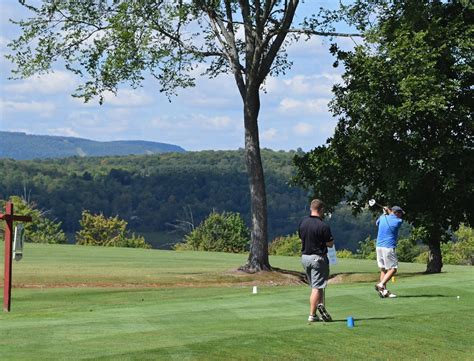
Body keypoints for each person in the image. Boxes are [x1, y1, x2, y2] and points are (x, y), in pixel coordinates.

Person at [299, 199, 334, 322]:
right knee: (317, 287)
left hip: (305, 257)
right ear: (321, 210)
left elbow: (301, 238)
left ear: (311, 208)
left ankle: (321, 307)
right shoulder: (323, 226)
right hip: (317, 258)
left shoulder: (303, 222)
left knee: (315, 286)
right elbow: (330, 244)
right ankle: (312, 315)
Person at [374, 205, 405, 298]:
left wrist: (385, 213)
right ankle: (381, 284)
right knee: (393, 268)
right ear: (396, 213)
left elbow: (377, 223)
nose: (401, 216)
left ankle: (383, 292)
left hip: (379, 246)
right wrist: (388, 211)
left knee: (383, 269)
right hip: (388, 247)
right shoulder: (398, 221)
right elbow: (393, 217)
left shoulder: (382, 217)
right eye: (400, 213)